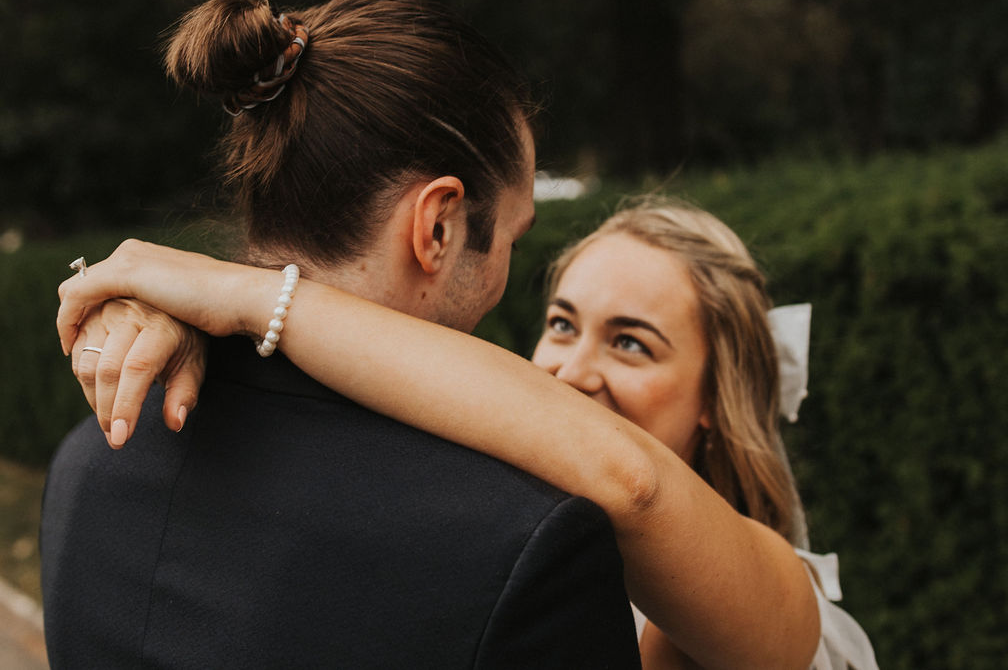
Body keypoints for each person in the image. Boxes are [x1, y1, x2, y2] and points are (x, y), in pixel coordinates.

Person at [40, 0, 644, 668]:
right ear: (437, 227)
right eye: (511, 235)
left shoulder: (90, 461)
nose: (508, 265)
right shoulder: (532, 540)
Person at [56, 199, 879, 668]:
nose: (570, 370)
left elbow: (635, 482)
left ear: (714, 396)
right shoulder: (513, 533)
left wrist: (244, 296)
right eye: (561, 324)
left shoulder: (783, 596)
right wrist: (208, 336)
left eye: (632, 342)